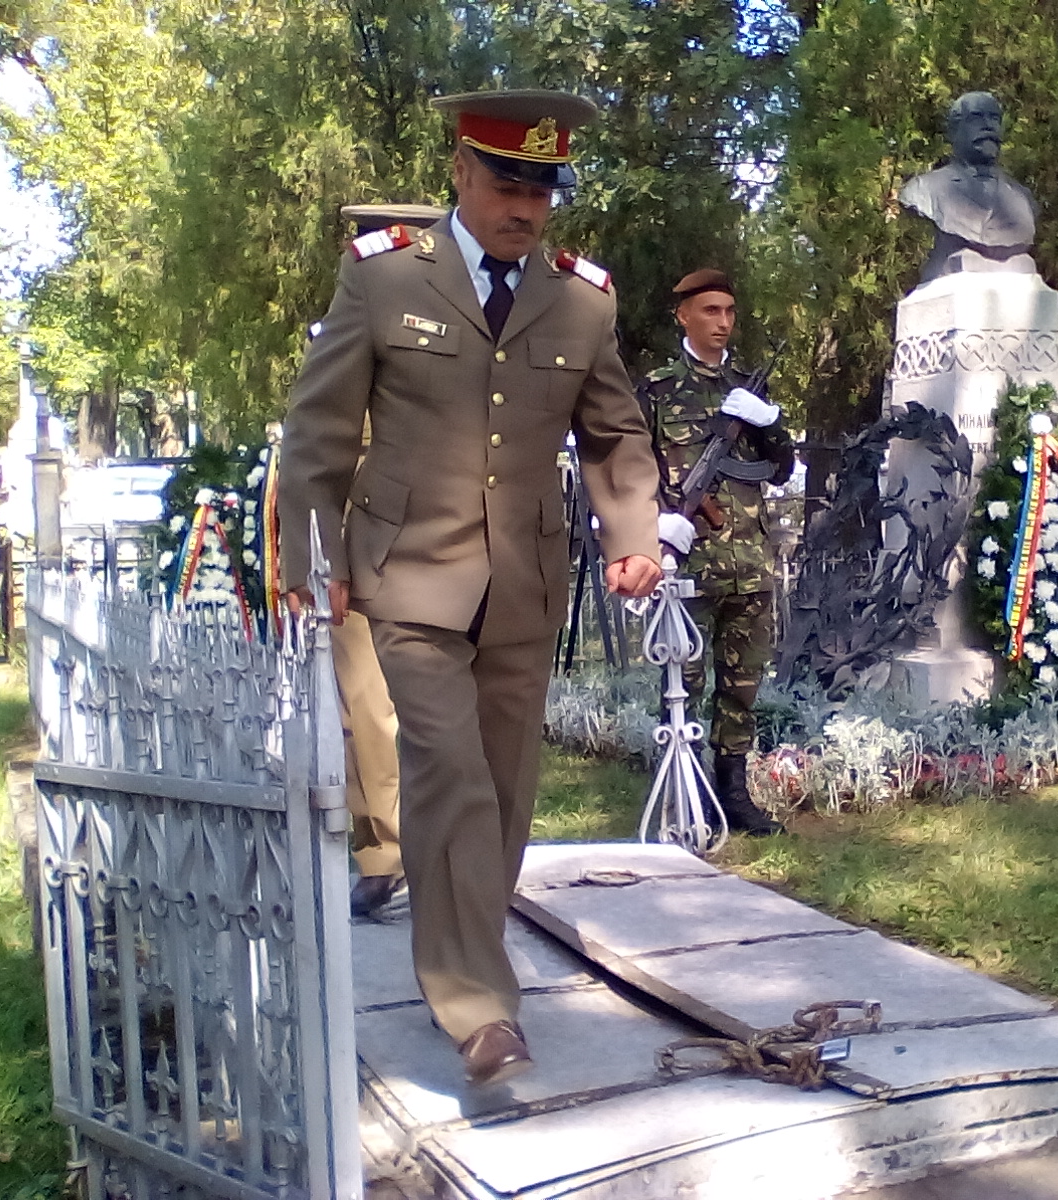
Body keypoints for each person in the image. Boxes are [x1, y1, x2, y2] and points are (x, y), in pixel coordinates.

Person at [279, 90, 663, 1087]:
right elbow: (319, 431)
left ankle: (465, 953)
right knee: (447, 772)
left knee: (503, 788)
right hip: (407, 574)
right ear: (461, 173)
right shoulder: (383, 278)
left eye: (542, 190)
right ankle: (480, 1008)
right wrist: (312, 564)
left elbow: (615, 432)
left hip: (525, 582)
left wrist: (631, 534)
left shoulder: (582, 300)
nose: (525, 207)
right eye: (506, 185)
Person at [637, 269, 794, 836]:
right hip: (688, 566)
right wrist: (656, 521)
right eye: (710, 311)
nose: (722, 322)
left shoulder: (747, 389)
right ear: (683, 316)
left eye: (729, 311)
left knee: (742, 689)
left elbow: (781, 470)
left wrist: (770, 423)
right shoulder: (658, 389)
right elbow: (631, 465)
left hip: (749, 565)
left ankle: (734, 795)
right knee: (684, 683)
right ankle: (686, 792)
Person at [333, 203, 446, 922]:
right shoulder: (345, 325)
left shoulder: (464, 333)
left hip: (444, 536)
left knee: (445, 708)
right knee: (365, 707)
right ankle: (383, 852)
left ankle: (448, 850)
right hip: (362, 535)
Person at [899, 91, 1040, 282]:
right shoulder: (924, 189)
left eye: (994, 118)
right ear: (953, 131)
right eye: (976, 118)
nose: (988, 125)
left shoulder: (1022, 197)